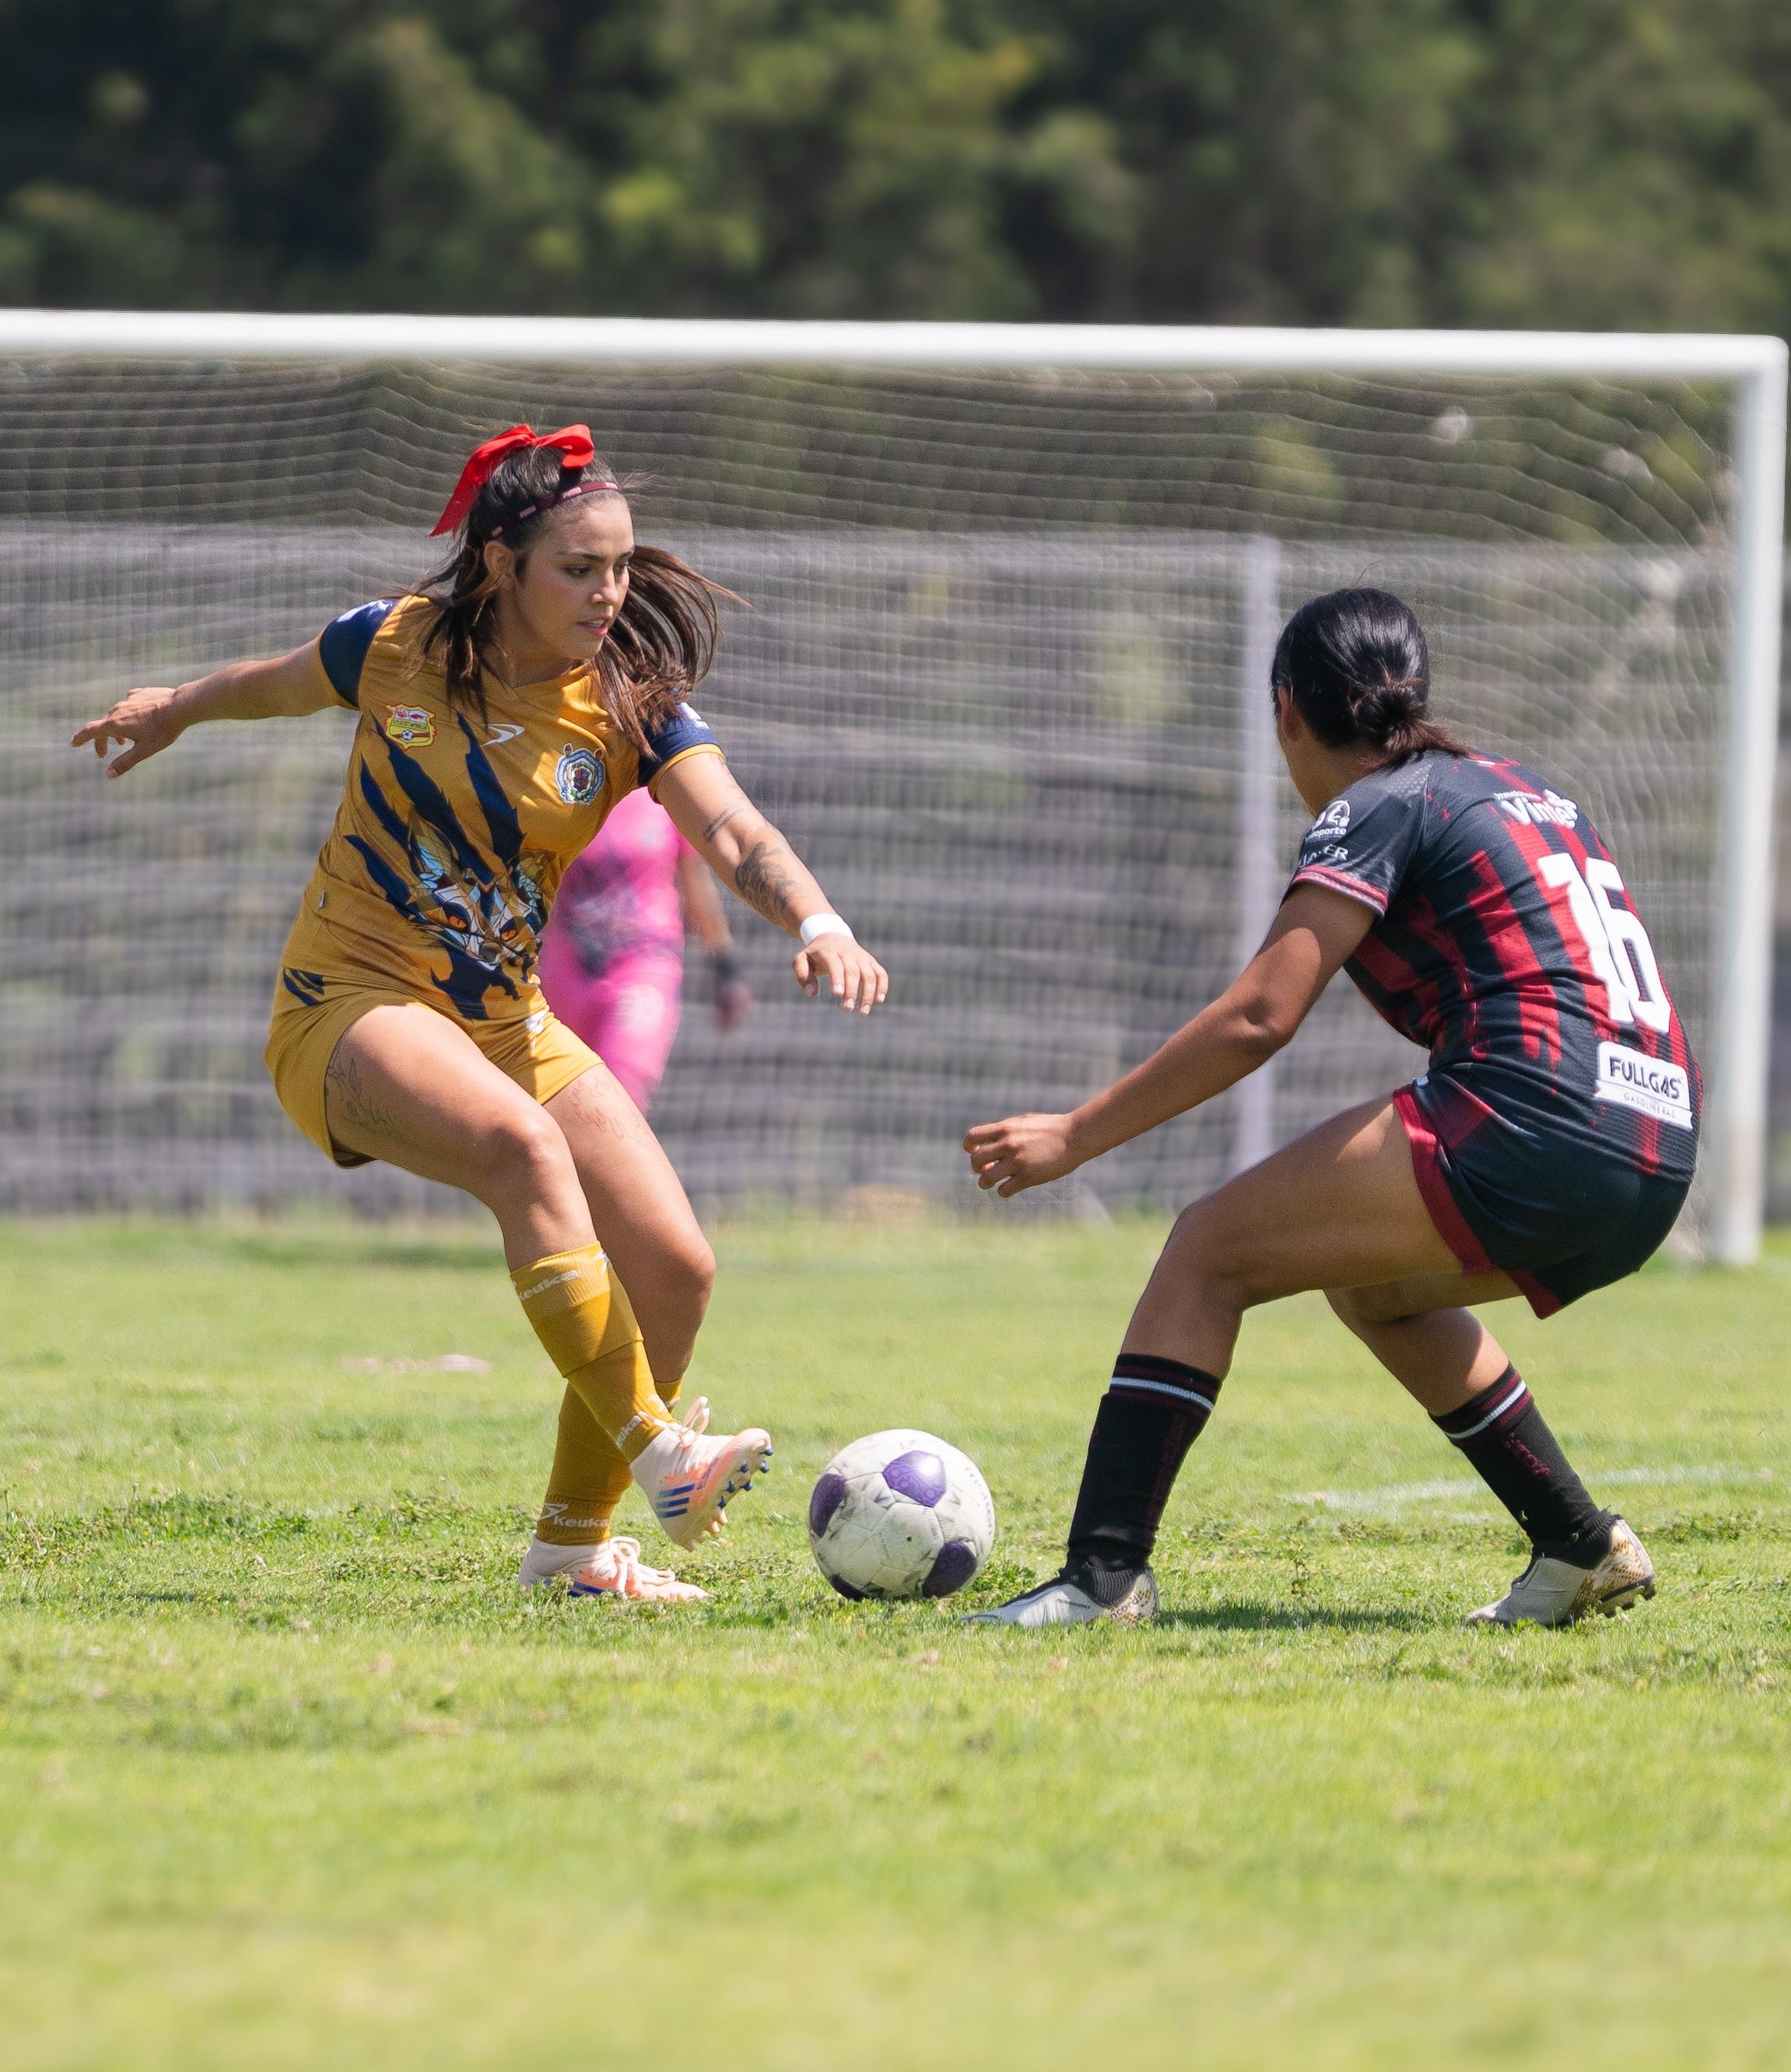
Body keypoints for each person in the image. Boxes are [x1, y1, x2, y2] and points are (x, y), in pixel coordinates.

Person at [73, 422, 888, 1606]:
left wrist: (817, 921)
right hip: (342, 1012)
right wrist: (174, 708)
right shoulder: (393, 642)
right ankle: (663, 1452)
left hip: (505, 1025)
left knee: (674, 1268)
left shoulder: (629, 704)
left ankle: (568, 1554)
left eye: (618, 568)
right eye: (578, 568)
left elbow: (732, 831)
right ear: (501, 564)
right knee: (522, 1146)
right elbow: (272, 682)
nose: (609, 593)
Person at [963, 587, 1696, 1631]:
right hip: (1657, 1144)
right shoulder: (1521, 787)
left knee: (1206, 1248)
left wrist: (1074, 1134)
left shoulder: (1375, 802)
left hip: (1541, 1118)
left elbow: (1260, 1015)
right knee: (1373, 1288)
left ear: (1285, 713)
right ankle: (1577, 1545)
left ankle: (1101, 1578)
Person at [537, 783, 753, 1115]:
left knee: (619, 1096)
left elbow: (696, 885)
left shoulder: (665, 791)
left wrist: (727, 969)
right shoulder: (560, 790)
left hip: (644, 969)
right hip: (565, 976)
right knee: (553, 1106)